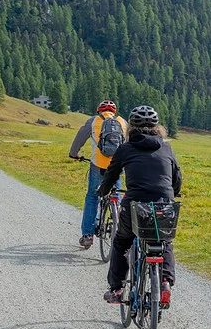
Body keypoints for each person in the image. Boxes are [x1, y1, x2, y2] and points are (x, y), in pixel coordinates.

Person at [98, 105, 182, 305]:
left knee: (121, 242)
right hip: (164, 205)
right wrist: (174, 192)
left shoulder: (126, 148)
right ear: (157, 127)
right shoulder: (166, 147)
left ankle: (117, 289)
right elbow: (176, 176)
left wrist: (103, 190)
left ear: (131, 127)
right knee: (165, 242)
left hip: (135, 205)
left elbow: (111, 173)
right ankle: (165, 283)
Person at [69, 100, 127, 248]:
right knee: (117, 195)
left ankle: (88, 235)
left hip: (98, 166)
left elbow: (79, 138)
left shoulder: (93, 121)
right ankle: (120, 232)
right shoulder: (122, 122)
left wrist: (74, 154)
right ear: (114, 112)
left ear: (99, 111)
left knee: (92, 197)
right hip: (117, 167)